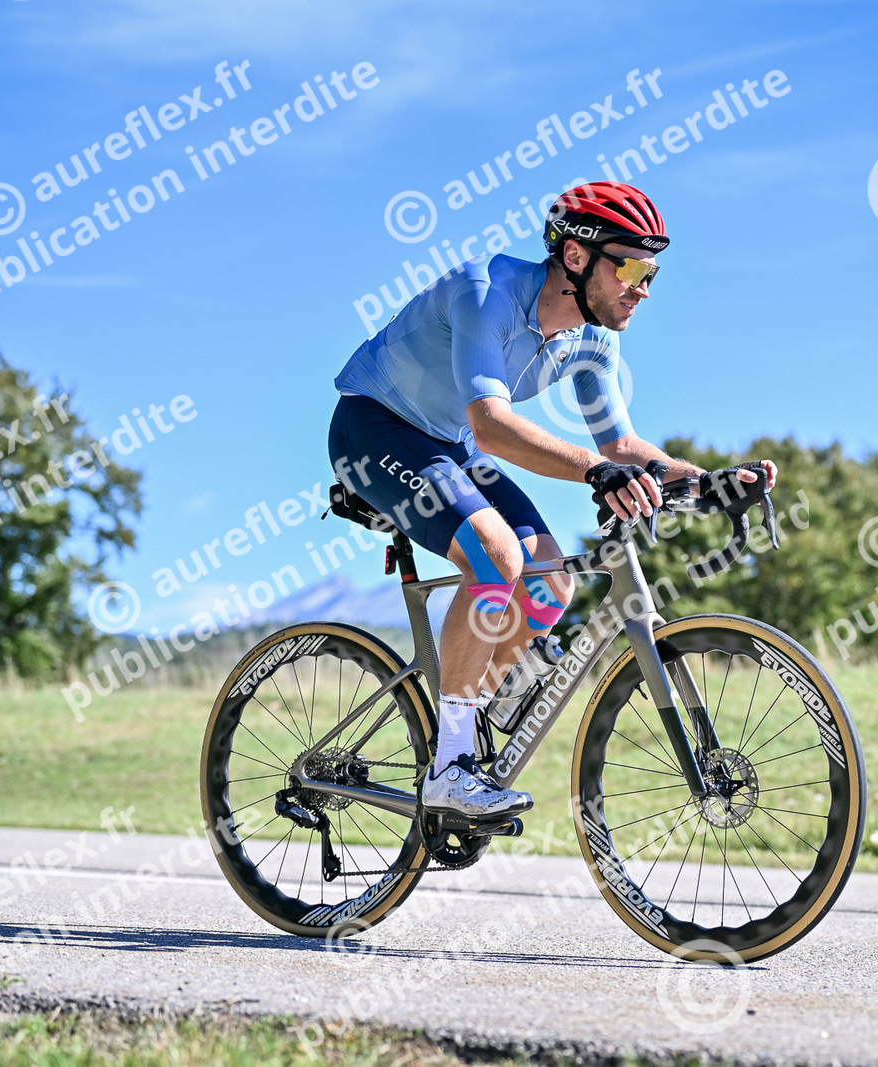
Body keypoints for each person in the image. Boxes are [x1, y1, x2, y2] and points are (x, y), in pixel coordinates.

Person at [328, 181, 775, 819]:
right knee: (496, 557)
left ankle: (464, 728)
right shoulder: (487, 292)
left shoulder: (594, 341)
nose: (643, 288)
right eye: (629, 268)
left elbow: (621, 446)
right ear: (574, 256)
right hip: (374, 426)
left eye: (651, 273)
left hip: (449, 444)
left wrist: (706, 483)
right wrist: (597, 473)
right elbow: (491, 426)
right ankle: (449, 766)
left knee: (550, 583)